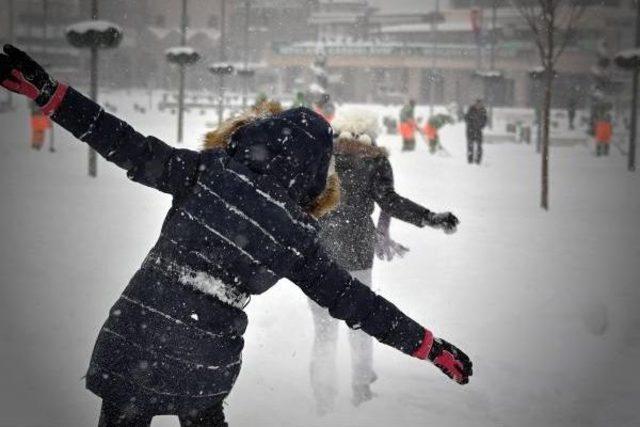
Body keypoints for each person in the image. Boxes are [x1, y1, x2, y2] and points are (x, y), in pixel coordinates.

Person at [0, 45, 472, 427]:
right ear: (314, 176)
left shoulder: (205, 171)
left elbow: (121, 141)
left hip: (135, 335)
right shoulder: (294, 237)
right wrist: (427, 345)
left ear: (260, 133)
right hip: (203, 364)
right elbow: (356, 302)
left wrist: (49, 93)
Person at [311, 109, 460, 412]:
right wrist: (429, 218)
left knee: (324, 333)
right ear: (370, 133)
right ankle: (361, 389)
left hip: (320, 253)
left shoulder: (323, 156)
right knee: (361, 324)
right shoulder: (374, 159)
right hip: (357, 251)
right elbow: (389, 201)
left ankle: (323, 402)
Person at [464, 99, 487, 164]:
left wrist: (480, 125)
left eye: (480, 104)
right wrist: (471, 121)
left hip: (478, 131)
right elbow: (466, 118)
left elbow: (484, 120)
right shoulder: (471, 109)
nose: (478, 106)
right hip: (470, 131)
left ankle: (478, 161)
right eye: (477, 104)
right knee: (470, 146)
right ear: (475, 104)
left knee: (479, 146)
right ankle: (470, 160)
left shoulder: (483, 110)